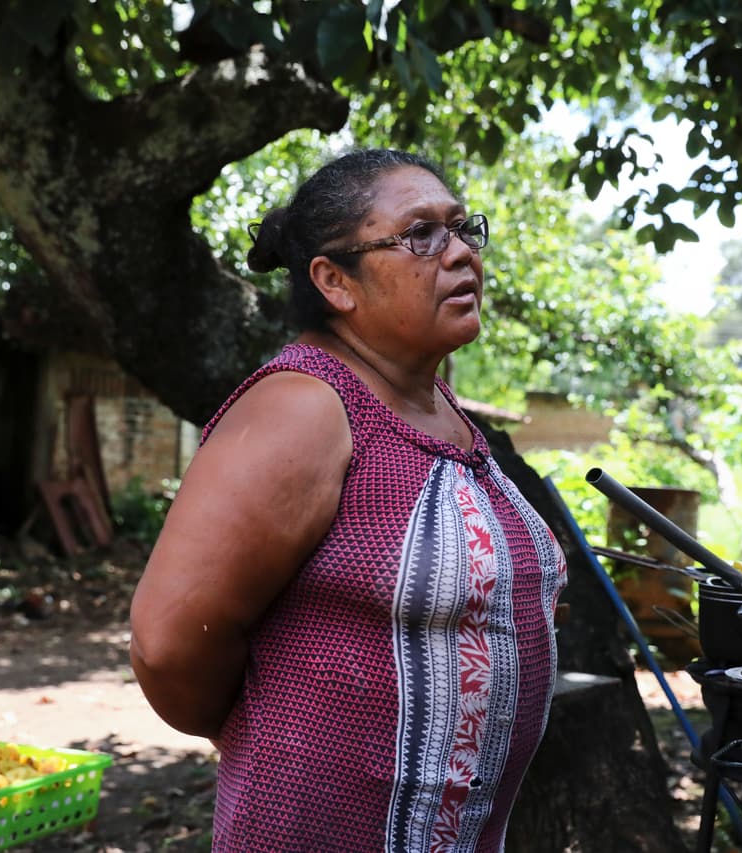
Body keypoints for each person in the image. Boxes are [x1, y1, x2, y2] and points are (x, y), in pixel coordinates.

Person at [129, 148, 568, 852]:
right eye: (420, 234)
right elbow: (169, 643)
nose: (458, 254)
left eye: (463, 229)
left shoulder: (441, 410)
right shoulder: (305, 408)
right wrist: (265, 731)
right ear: (335, 281)